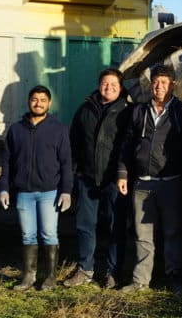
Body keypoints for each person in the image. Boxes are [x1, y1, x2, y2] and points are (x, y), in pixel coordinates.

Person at [116, 65, 182, 293]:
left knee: (172, 232)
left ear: (173, 85)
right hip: (142, 182)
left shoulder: (181, 112)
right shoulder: (139, 111)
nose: (159, 87)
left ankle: (174, 277)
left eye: (164, 82)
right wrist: (122, 172)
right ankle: (140, 281)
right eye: (156, 82)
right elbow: (127, 144)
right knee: (143, 234)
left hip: (171, 181)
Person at [0, 85, 73, 291]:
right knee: (28, 236)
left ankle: (49, 278)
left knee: (49, 234)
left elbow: (66, 163)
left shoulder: (58, 129)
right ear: (28, 102)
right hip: (24, 194)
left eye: (42, 100)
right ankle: (28, 278)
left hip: (50, 192)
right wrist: (4, 188)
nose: (38, 103)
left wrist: (66, 191)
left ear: (49, 103)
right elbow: (7, 163)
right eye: (34, 99)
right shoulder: (15, 130)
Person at [63, 68, 130, 289]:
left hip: (113, 180)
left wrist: (123, 174)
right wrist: (74, 174)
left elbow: (128, 147)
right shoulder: (85, 110)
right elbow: (74, 144)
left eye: (113, 85)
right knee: (85, 225)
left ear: (120, 88)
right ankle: (85, 269)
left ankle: (113, 272)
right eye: (104, 83)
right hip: (88, 178)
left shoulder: (127, 112)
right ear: (98, 85)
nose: (108, 88)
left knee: (115, 226)